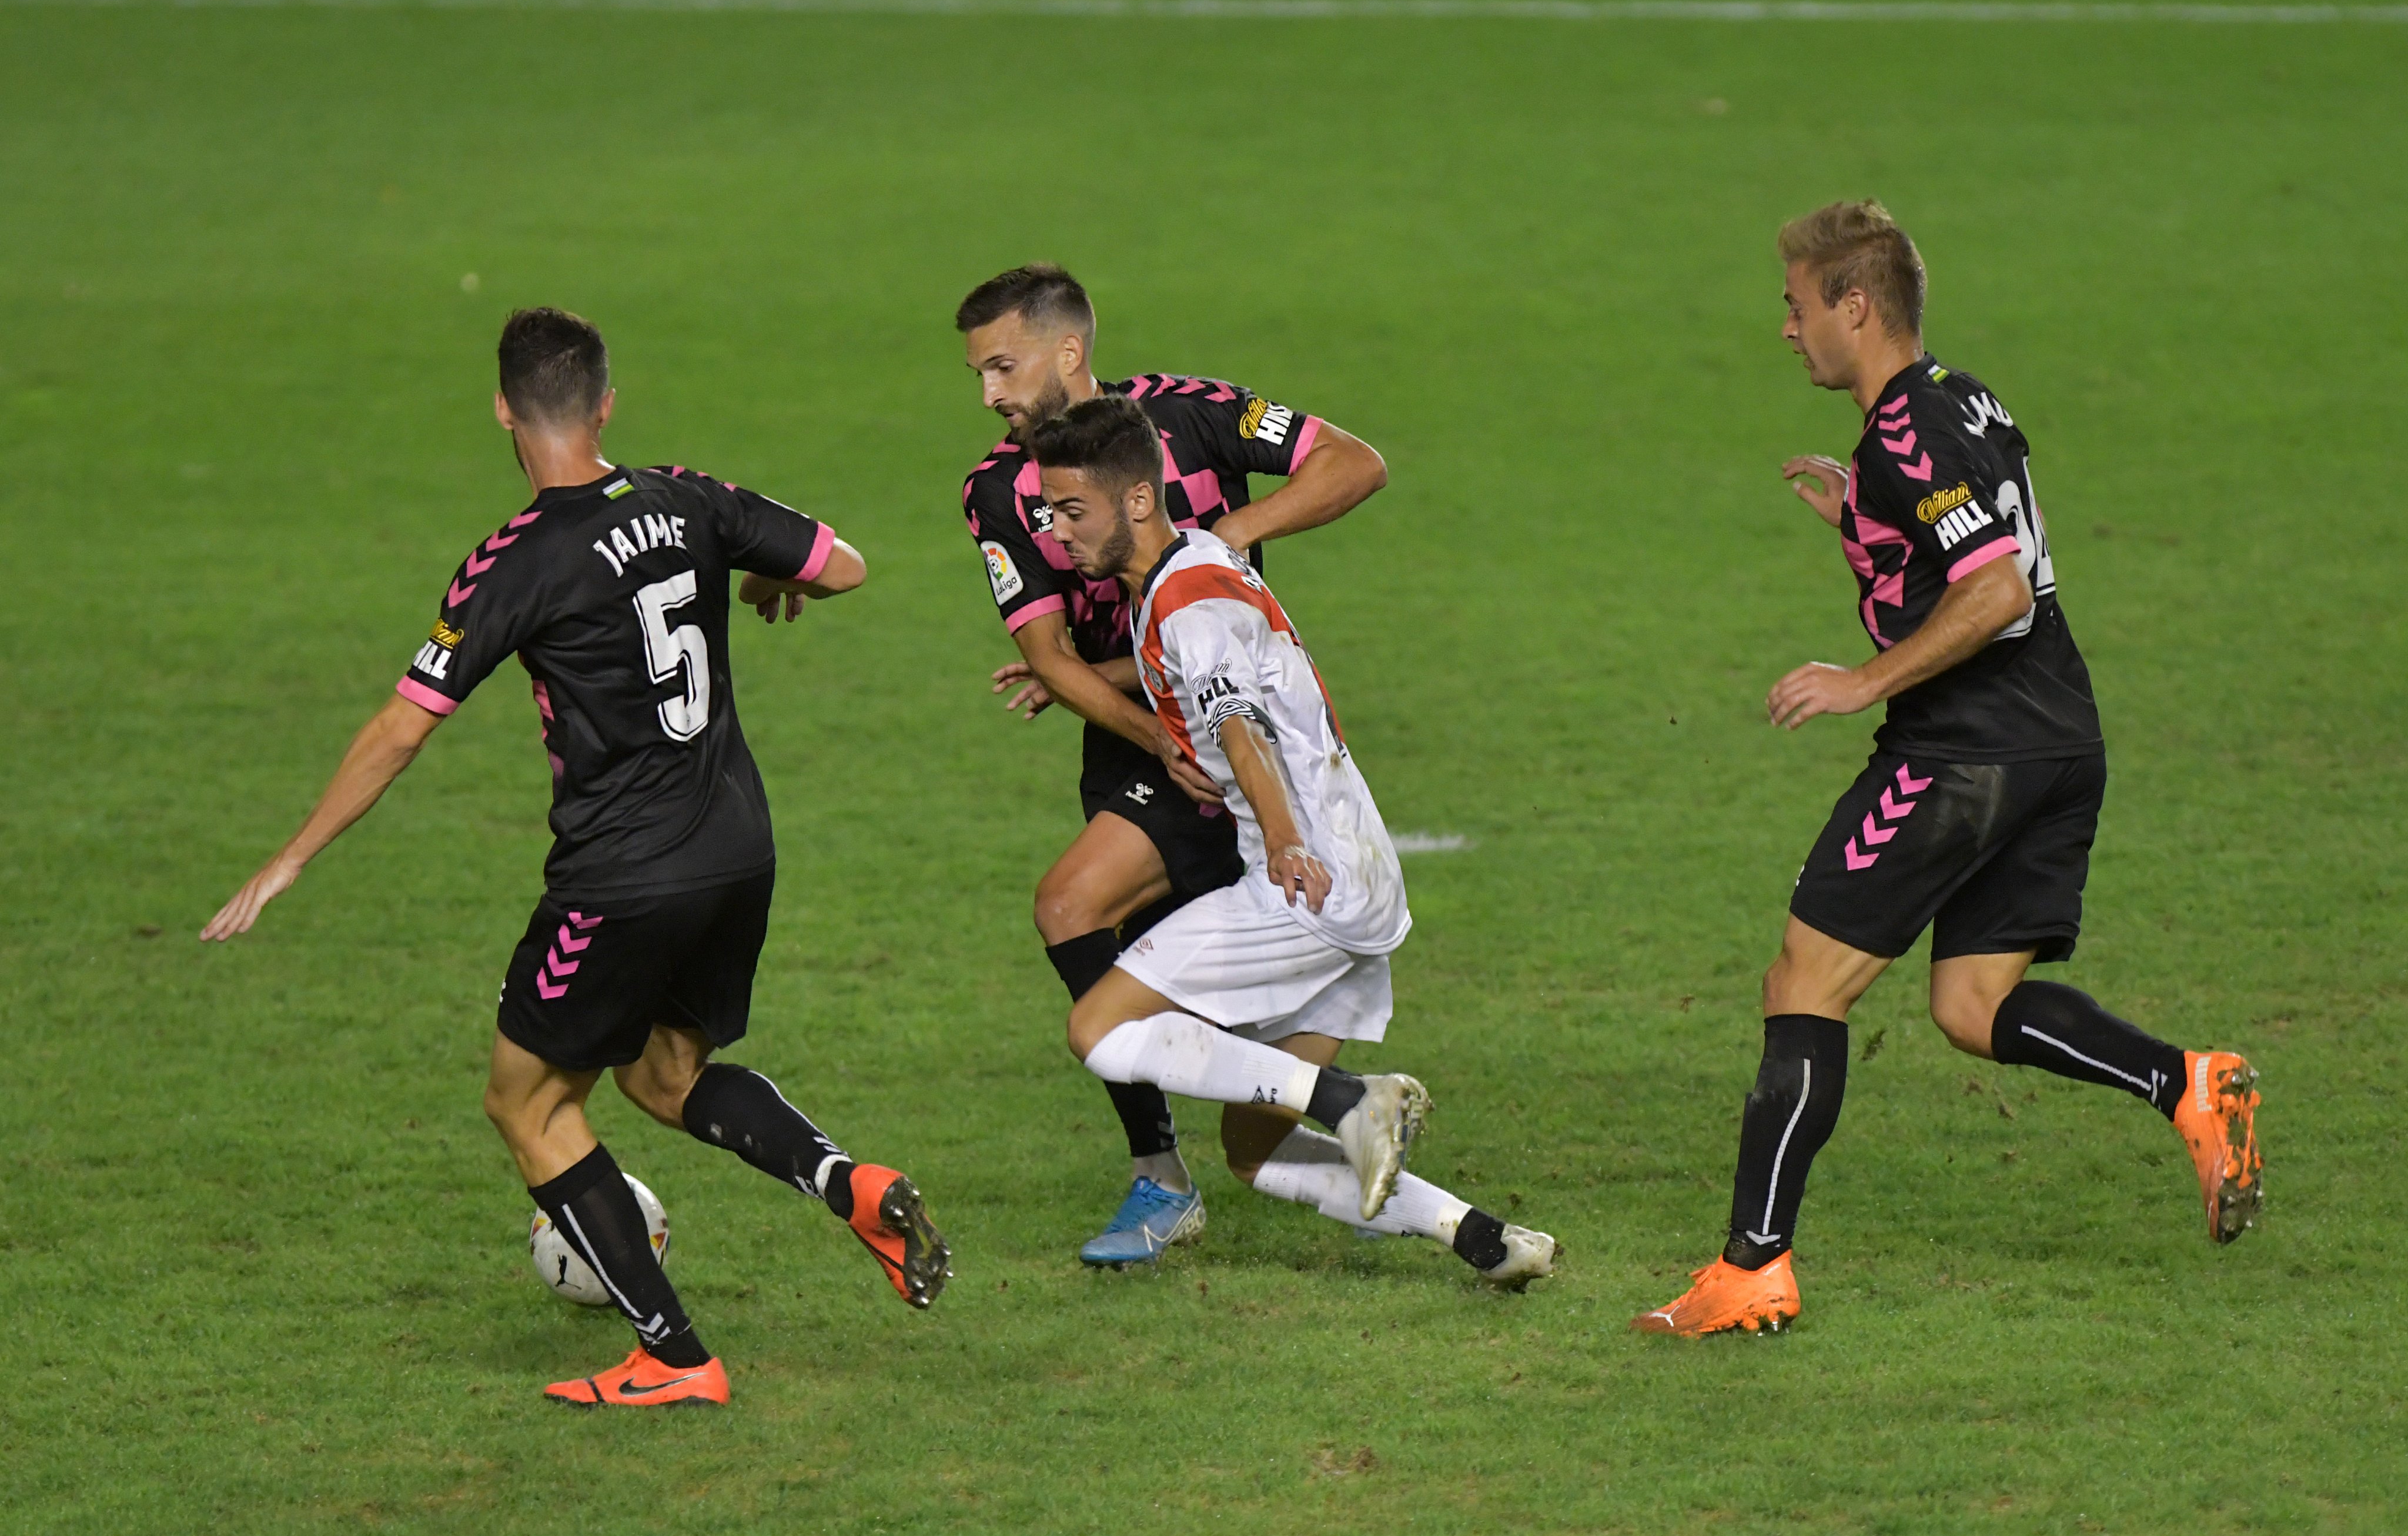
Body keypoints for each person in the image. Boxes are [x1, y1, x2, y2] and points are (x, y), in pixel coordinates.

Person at [202, 308, 949, 1405]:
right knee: (663, 1075)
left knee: (529, 1106)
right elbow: (843, 564)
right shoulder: (689, 496)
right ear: (606, 404)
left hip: (621, 875)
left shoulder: (514, 562)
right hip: (738, 849)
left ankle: (677, 1358)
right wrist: (771, 578)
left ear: (504, 410)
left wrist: (293, 857)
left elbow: (405, 725)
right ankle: (849, 1183)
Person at [1633, 202, 2263, 1338]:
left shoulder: (1912, 429)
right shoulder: (1959, 397)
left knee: (1802, 985)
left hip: (1968, 751)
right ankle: (2190, 1085)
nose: (1787, 328)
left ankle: (1752, 1268)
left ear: (1855, 305)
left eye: (1797, 304)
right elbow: (1973, 545)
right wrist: (1864, 515)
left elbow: (1996, 590)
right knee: (1974, 1006)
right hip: (2062, 740)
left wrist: (1863, 681)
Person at [1028, 394, 1554, 1288]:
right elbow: (1218, 674)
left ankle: (1352, 1100)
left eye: (1073, 512)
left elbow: (1239, 725)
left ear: (1138, 502)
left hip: (1306, 884)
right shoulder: (1200, 559)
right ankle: (1482, 1238)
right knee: (1254, 1150)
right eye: (1050, 512)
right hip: (1362, 870)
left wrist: (1277, 841)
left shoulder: (1185, 608)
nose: (1057, 533)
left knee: (1099, 1028)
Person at [956, 264, 1390, 1265]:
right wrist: (1160, 734)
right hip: (1146, 740)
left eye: (1004, 367)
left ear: (1070, 354)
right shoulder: (996, 491)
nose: (991, 395)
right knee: (1104, 940)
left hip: (1245, 731)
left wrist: (1223, 541)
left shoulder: (1192, 415)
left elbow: (1354, 464)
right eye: (980, 375)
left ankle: (1231, 1159)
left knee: (1083, 917)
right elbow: (1048, 659)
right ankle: (1178, 1166)